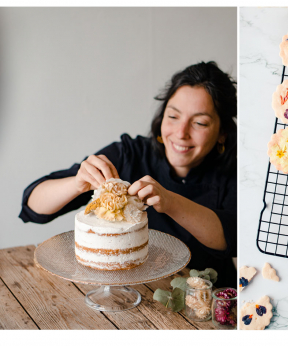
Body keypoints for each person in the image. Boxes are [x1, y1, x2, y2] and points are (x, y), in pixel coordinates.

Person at [20, 61, 237, 285]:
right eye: (173, 116)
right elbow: (33, 206)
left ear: (222, 133)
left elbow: (233, 239)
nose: (181, 133)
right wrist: (77, 183)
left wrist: (170, 202)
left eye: (199, 122)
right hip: (135, 298)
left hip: (207, 302)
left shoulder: (233, 173)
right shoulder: (129, 154)